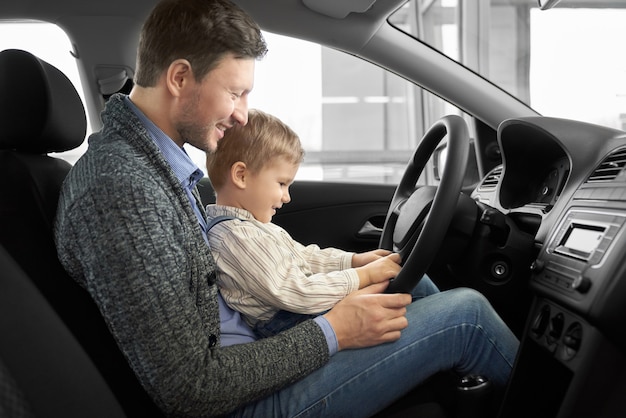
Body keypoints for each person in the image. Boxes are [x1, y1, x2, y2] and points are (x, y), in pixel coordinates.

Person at [54, 0, 519, 416]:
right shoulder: (121, 191)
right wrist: (336, 330)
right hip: (243, 404)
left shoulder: (151, 171)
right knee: (468, 316)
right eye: (235, 92)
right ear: (179, 77)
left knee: (409, 285)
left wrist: (352, 276)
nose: (241, 114)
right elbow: (191, 389)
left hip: (252, 367)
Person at [205, 108, 404, 338]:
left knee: (404, 281)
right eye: (281, 183)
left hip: (304, 311)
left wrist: (354, 261)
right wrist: (365, 276)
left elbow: (306, 258)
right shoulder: (236, 238)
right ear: (241, 175)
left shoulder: (253, 226)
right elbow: (297, 291)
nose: (287, 196)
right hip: (294, 323)